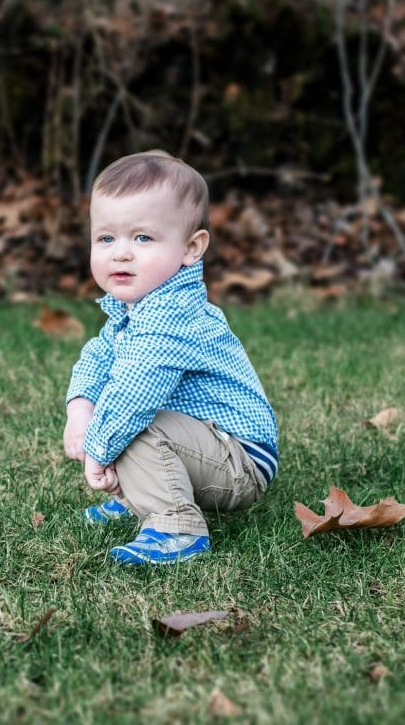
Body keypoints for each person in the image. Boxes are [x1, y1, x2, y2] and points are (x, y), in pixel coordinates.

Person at [62, 150, 278, 566]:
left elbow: (134, 396)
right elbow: (97, 356)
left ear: (191, 248)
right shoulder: (137, 308)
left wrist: (99, 452)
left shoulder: (172, 318)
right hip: (205, 442)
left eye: (143, 238)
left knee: (131, 420)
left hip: (240, 457)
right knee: (119, 416)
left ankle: (176, 526)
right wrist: (80, 408)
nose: (121, 253)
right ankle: (145, 497)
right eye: (106, 238)